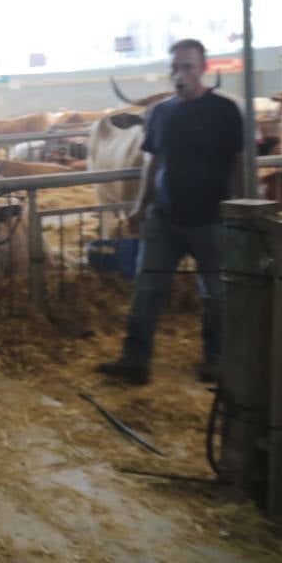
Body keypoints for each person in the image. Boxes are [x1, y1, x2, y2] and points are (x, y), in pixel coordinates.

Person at [97, 38, 244, 386]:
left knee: (217, 294)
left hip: (212, 218)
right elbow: (153, 162)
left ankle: (217, 359)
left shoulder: (225, 111)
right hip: (165, 218)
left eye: (188, 67)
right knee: (147, 289)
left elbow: (239, 163)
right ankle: (135, 360)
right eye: (175, 68)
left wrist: (243, 208)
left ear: (204, 68)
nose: (180, 74)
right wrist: (140, 206)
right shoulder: (160, 113)